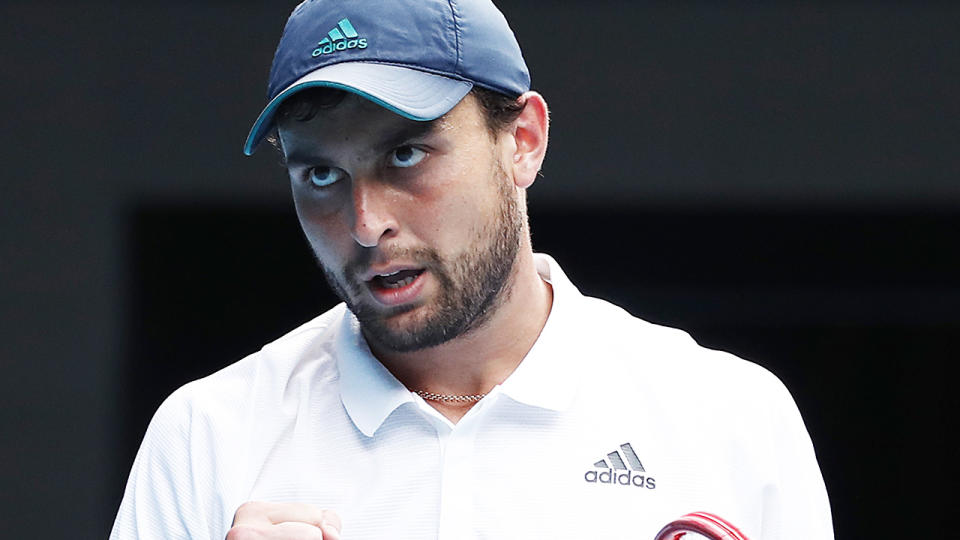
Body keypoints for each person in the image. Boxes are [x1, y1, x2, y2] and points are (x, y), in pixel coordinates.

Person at [111, 1, 833, 538]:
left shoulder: (729, 419)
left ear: (523, 140)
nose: (367, 224)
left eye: (406, 155)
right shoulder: (208, 436)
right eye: (322, 175)